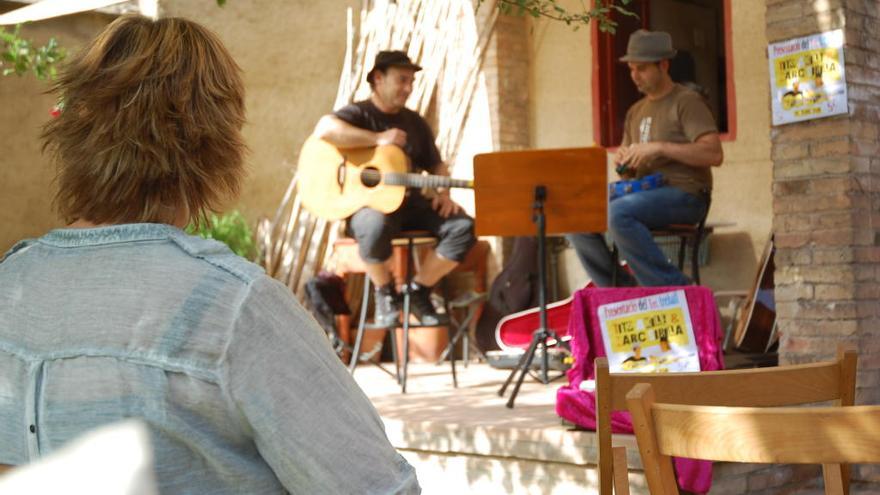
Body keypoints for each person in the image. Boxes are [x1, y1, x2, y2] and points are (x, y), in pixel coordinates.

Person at [0, 16, 419, 494]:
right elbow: (376, 488)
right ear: (215, 143)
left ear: (73, 134)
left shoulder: (11, 282)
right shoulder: (233, 307)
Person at [314, 50, 476, 326]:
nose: (408, 88)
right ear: (378, 79)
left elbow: (436, 165)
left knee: (462, 227)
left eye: (411, 81)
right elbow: (324, 129)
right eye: (402, 80)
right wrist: (378, 138)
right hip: (371, 206)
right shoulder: (358, 114)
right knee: (373, 226)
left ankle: (417, 292)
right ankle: (386, 292)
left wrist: (444, 193)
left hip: (411, 205)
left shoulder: (415, 123)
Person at [567, 30, 723, 287]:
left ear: (663, 65)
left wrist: (659, 148)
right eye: (631, 69)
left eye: (641, 69)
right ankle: (620, 289)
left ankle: (674, 288)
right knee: (575, 215)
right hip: (643, 194)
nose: (634, 76)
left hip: (686, 194)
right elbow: (628, 175)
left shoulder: (686, 101)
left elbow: (714, 153)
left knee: (617, 214)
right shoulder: (635, 111)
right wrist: (624, 165)